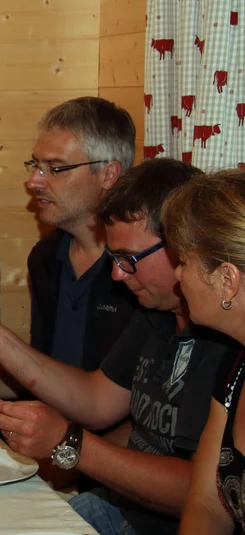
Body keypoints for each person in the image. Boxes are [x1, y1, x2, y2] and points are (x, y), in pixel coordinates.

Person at [0, 158, 237, 535]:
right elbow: (97, 401)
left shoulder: (225, 339)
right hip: (116, 505)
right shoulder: (155, 312)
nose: (117, 274)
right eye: (113, 257)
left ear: (179, 244)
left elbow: (204, 494)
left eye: (129, 259)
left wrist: (70, 443)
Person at [0, 97, 139, 402]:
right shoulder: (45, 258)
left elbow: (126, 403)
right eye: (35, 166)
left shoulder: (139, 272)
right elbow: (46, 371)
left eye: (55, 169)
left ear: (109, 174)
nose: (33, 182)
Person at [163, 170, 245, 535]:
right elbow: (208, 504)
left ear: (227, 280)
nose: (176, 275)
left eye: (183, 261)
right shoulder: (236, 364)